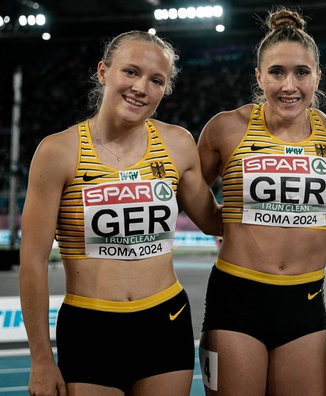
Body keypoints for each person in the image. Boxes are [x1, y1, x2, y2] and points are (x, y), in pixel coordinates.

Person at [19, 30, 222, 396]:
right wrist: (41, 359)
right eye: (131, 72)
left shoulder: (178, 144)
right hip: (90, 329)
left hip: (166, 322)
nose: (141, 87)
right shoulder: (57, 152)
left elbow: (213, 221)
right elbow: (32, 261)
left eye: (156, 80)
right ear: (103, 72)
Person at [196, 7, 326, 396]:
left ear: (318, 76)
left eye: (301, 72)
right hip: (236, 299)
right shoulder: (225, 128)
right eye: (277, 72)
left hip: (305, 299)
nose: (289, 85)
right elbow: (187, 190)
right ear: (259, 76)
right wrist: (221, 224)